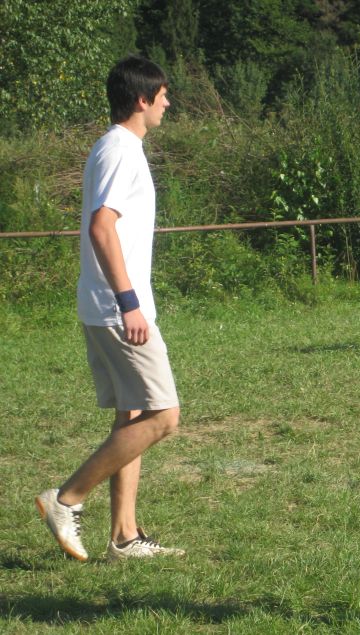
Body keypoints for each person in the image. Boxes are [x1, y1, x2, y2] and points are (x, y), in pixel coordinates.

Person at [36, 55, 184, 562]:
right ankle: (66, 499)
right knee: (164, 416)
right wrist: (129, 303)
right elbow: (102, 227)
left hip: (107, 305)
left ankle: (124, 536)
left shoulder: (114, 147)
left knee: (135, 412)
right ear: (142, 99)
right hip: (119, 308)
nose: (168, 102)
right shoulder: (121, 150)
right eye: (162, 94)